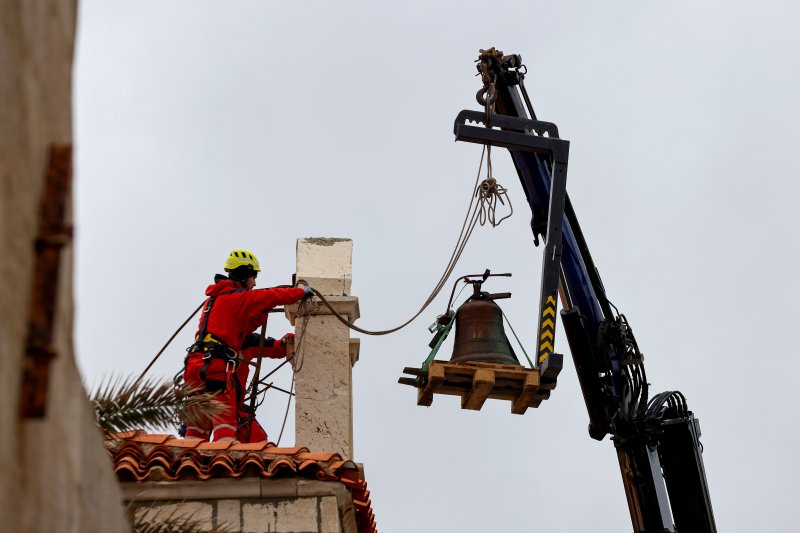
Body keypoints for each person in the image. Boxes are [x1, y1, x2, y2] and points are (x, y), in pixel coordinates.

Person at [182, 249, 311, 442]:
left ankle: (188, 464)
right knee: (225, 427)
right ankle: (224, 460)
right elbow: (270, 295)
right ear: (244, 274)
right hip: (216, 367)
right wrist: (301, 292)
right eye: (254, 276)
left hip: (194, 366)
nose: (255, 282)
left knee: (195, 432)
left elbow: (243, 325)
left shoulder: (214, 301)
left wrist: (262, 311)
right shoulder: (237, 297)